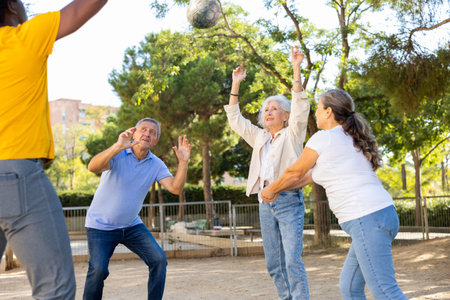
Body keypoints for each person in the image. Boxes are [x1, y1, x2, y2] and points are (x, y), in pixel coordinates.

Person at [0, 0, 109, 298]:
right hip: (14, 175)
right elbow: (79, 10)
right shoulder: (23, 36)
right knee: (55, 288)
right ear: (11, 6)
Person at [261, 89, 408, 300]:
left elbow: (295, 172)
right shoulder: (349, 137)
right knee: (349, 288)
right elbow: (306, 178)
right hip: (379, 215)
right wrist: (275, 191)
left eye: (319, 109)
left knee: (386, 291)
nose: (316, 114)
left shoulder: (324, 138)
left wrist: (272, 189)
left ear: (329, 112)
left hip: (366, 218)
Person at [224, 46, 310, 299]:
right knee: (274, 264)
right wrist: (235, 84)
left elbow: (300, 104)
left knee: (292, 261)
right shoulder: (260, 137)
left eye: (274, 108)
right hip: (264, 202)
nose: (269, 111)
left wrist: (296, 67)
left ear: (285, 116)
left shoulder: (293, 134)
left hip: (288, 201)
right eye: (266, 109)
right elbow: (235, 119)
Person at [83, 118, 191, 300]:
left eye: (152, 132)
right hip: (100, 226)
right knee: (99, 270)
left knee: (158, 260)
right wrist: (118, 146)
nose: (147, 134)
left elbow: (175, 188)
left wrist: (183, 163)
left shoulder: (156, 164)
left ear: (155, 140)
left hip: (131, 226)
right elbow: (92, 167)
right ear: (134, 132)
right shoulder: (118, 154)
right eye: (143, 129)